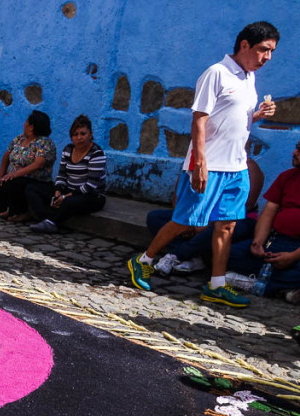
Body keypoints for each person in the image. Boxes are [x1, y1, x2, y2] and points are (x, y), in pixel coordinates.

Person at [127, 21, 279, 308]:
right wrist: (200, 163)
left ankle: (217, 284)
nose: (267, 57)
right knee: (185, 219)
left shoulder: (249, 79)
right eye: (263, 50)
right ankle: (143, 260)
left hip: (237, 168)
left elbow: (234, 120)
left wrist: (257, 115)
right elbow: (200, 119)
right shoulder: (216, 73)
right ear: (244, 45)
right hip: (210, 164)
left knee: (227, 226)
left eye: (271, 52)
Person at [149, 158, 264, 275]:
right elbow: (178, 199)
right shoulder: (200, 162)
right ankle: (195, 258)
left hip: (233, 219)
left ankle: (177, 255)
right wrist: (190, 221)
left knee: (223, 228)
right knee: (156, 218)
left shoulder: (248, 167)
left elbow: (244, 206)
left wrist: (206, 223)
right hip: (196, 216)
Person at [226, 140, 300, 299]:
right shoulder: (287, 177)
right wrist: (258, 242)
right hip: (276, 240)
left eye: (299, 151)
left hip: (298, 248)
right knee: (228, 253)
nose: (295, 153)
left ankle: (259, 285)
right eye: (296, 148)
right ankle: (281, 289)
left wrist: (293, 256)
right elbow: (269, 211)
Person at [26, 114, 107, 233]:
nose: (79, 138)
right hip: (68, 190)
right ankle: (47, 219)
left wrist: (65, 197)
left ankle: (52, 222)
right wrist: (58, 191)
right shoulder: (68, 150)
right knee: (32, 189)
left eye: (83, 134)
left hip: (91, 195)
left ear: (90, 135)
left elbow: (90, 186)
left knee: (69, 202)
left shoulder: (96, 154)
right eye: (75, 134)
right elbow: (62, 175)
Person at [0, 110, 56, 220]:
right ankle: (3, 210)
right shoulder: (19, 138)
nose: (24, 124)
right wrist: (1, 176)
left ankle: (17, 212)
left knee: (17, 183)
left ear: (31, 127)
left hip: (35, 180)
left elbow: (38, 164)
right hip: (13, 178)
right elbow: (7, 155)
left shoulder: (44, 143)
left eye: (26, 121)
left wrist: (15, 174)